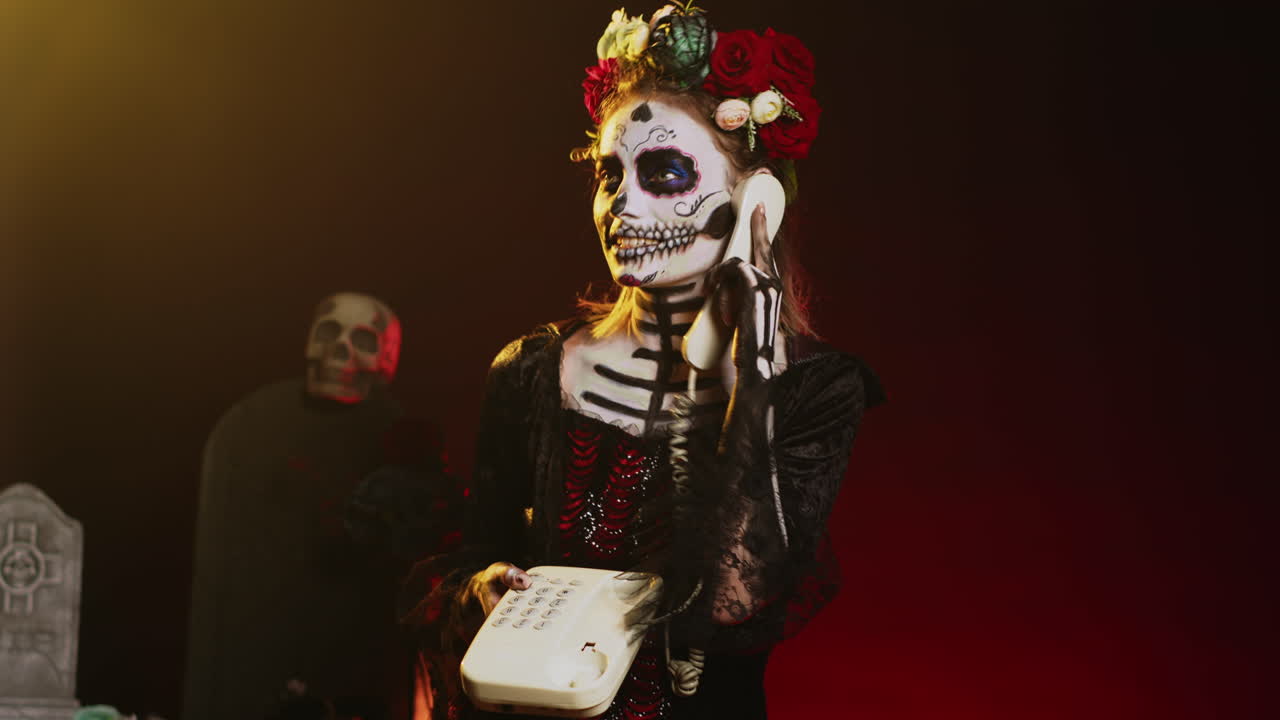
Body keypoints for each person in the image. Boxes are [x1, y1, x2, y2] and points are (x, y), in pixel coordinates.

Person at [399, 5, 884, 719]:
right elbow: (466, 552)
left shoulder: (817, 389)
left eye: (663, 171)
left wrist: (746, 365)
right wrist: (482, 587)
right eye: (609, 174)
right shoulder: (532, 371)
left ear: (760, 200)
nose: (620, 204)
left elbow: (728, 599)